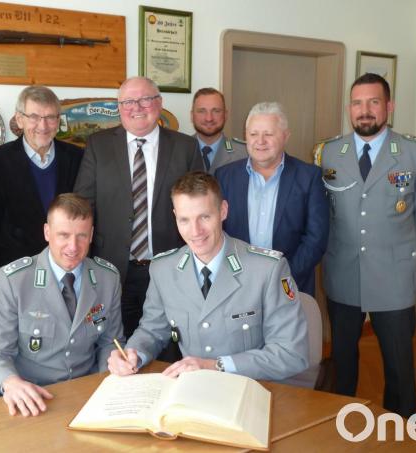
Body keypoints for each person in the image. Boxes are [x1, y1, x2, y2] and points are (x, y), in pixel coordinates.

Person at [107, 171, 309, 381]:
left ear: (223, 211)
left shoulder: (267, 270)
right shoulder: (163, 268)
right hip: (192, 393)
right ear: (175, 216)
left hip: (251, 390)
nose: (195, 231)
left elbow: (291, 354)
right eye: (184, 220)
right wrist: (133, 354)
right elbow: (152, 330)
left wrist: (216, 365)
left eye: (204, 217)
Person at [315, 73, 416, 418]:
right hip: (342, 272)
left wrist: (395, 249)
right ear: (349, 108)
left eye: (373, 102)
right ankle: (340, 421)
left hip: (394, 276)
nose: (364, 110)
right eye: (357, 103)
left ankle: (400, 430)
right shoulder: (329, 153)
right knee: (343, 359)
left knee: (399, 362)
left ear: (389, 106)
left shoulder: (415, 153)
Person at [74, 76, 204, 352]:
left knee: (171, 345)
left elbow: (199, 206)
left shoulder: (185, 147)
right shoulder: (98, 145)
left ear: (159, 103)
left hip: (170, 269)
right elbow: (84, 205)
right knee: (117, 347)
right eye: (128, 101)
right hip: (113, 270)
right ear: (119, 107)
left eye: (145, 99)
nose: (137, 107)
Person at [0, 193, 124, 417]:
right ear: (47, 232)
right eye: (63, 235)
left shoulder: (107, 279)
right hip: (34, 398)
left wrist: (109, 380)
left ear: (92, 234)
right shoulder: (14, 281)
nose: (73, 247)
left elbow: (110, 343)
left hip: (89, 394)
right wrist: (11, 382)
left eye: (81, 236)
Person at [215, 102, 328, 296]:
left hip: (291, 286)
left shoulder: (309, 177)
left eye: (268, 134)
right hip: (237, 286)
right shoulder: (225, 176)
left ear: (285, 136)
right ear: (245, 136)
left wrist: (283, 277)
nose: (260, 141)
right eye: (253, 134)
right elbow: (218, 233)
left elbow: (316, 239)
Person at [0, 85, 83, 285]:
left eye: (50, 117)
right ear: (20, 119)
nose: (43, 126)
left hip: (66, 265)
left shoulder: (77, 157)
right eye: (34, 117)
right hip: (18, 267)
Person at [190, 87, 247, 174]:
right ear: (192, 116)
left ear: (225, 115)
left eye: (216, 111)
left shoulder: (244, 153)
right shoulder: (179, 151)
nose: (209, 118)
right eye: (202, 111)